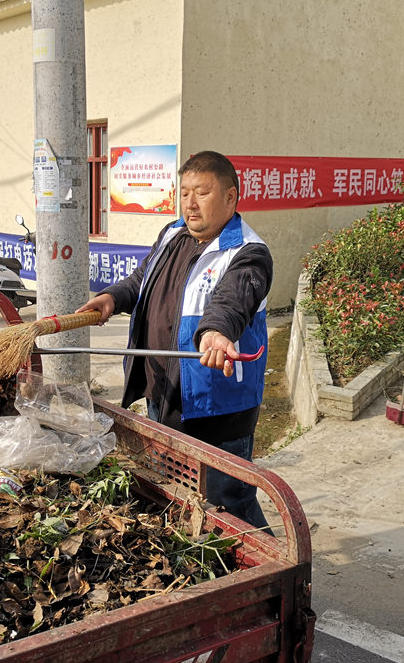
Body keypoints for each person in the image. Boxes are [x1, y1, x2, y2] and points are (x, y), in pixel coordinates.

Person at [78, 151, 272, 529]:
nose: (190, 203)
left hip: (216, 408)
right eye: (184, 192)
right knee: (174, 494)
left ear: (231, 197)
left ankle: (276, 572)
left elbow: (233, 301)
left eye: (202, 192)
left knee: (227, 505)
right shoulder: (171, 235)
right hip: (162, 395)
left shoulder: (249, 252)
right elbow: (141, 280)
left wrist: (216, 333)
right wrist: (112, 298)